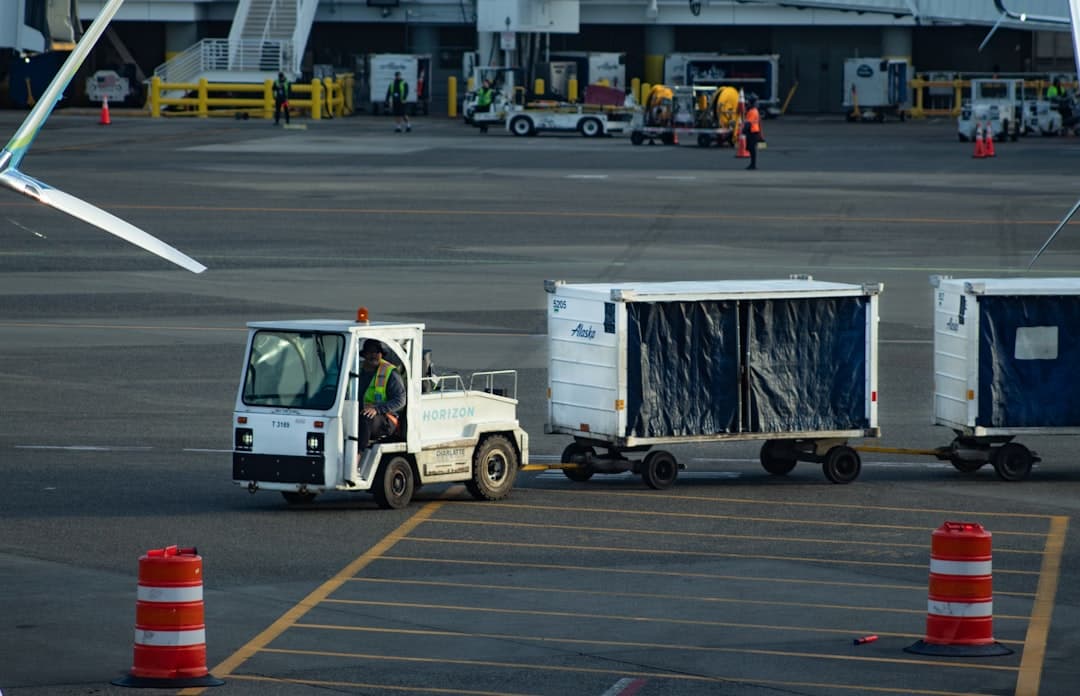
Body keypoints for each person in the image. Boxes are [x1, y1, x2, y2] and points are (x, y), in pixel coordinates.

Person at [356, 339, 406, 450]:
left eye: (376, 352)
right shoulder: (356, 369)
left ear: (381, 354)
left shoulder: (389, 372)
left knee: (365, 418)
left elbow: (400, 400)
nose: (373, 355)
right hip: (359, 413)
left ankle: (357, 454)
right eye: (370, 352)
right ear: (364, 354)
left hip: (387, 419)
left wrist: (377, 409)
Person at [743, 94, 764, 170]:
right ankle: (752, 164)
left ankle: (753, 165)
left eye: (748, 102)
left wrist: (743, 131)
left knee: (752, 149)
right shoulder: (754, 111)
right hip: (755, 131)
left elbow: (748, 123)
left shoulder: (752, 111)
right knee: (751, 149)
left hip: (752, 132)